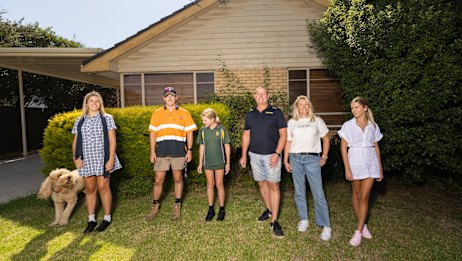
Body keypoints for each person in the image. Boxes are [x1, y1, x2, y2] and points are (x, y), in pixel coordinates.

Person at [239, 86, 287, 238]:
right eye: (257, 94)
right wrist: (243, 155)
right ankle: (269, 209)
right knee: (262, 183)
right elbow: (246, 135)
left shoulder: (276, 113)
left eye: (263, 93)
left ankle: (274, 221)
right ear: (254, 96)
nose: (260, 96)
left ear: (268, 96)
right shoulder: (250, 114)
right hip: (254, 156)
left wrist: (277, 153)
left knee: (274, 185)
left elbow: (283, 136)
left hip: (271, 156)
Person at [71, 91, 122, 234]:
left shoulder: (107, 118)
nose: (94, 103)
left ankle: (106, 218)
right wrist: (76, 158)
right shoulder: (79, 121)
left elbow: (112, 140)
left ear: (100, 103)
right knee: (90, 189)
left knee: (103, 187)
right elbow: (75, 141)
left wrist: (111, 158)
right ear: (86, 103)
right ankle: (91, 220)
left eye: (97, 101)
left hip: (103, 157)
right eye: (91, 101)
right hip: (86, 159)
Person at [283, 95, 332, 241]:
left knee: (318, 193)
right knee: (299, 192)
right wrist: (285, 160)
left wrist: (324, 156)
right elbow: (288, 141)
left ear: (309, 106)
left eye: (306, 105)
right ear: (296, 107)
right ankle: (303, 219)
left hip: (312, 159)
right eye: (300, 105)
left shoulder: (317, 121)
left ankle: (325, 225)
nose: (303, 107)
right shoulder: (292, 122)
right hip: (295, 159)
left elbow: (326, 139)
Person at [145, 86, 197, 222]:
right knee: (158, 180)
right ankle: (155, 205)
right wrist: (152, 151)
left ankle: (177, 204)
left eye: (172, 95)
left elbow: (190, 132)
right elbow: (153, 133)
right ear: (163, 98)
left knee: (178, 178)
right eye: (167, 95)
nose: (170, 98)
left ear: (176, 98)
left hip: (179, 152)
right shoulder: (156, 113)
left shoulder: (185, 113)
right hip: (161, 152)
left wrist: (189, 150)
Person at [338, 96, 383, 247]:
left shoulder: (373, 125)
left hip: (371, 162)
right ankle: (363, 225)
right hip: (355, 161)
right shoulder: (348, 125)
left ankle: (358, 231)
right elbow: (343, 148)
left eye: (356, 107)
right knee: (356, 195)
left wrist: (380, 169)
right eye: (352, 108)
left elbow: (376, 147)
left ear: (365, 108)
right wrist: (347, 168)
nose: (354, 110)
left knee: (364, 196)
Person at [197, 108, 231, 221]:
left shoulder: (222, 130)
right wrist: (200, 163)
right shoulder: (202, 131)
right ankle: (211, 209)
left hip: (220, 162)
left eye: (205, 120)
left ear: (212, 119)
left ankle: (222, 209)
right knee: (210, 184)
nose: (203, 122)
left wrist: (228, 163)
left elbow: (227, 146)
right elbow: (202, 147)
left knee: (219, 184)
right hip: (208, 163)